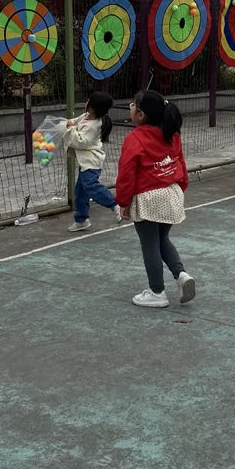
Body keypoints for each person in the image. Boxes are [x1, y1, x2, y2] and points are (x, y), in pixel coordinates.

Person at [115, 90, 195, 308]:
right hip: (171, 193)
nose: (130, 106)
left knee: (149, 245)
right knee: (162, 239)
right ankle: (181, 275)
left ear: (141, 114)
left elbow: (126, 173)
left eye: (133, 105)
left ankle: (157, 292)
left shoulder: (135, 138)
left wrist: (123, 202)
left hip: (149, 198)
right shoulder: (171, 133)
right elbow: (180, 162)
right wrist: (181, 187)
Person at [63, 91, 122, 232]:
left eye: (88, 100)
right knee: (80, 191)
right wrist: (70, 123)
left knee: (90, 186)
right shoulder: (86, 116)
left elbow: (81, 142)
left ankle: (114, 205)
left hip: (91, 161)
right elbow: (76, 121)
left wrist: (70, 129)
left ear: (92, 106)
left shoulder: (94, 125)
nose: (86, 102)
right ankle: (82, 220)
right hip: (85, 162)